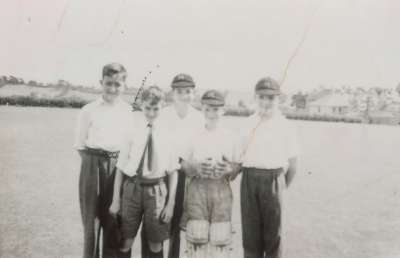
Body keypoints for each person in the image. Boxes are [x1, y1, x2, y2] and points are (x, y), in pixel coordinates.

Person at [109, 85, 179, 258]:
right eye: (148, 108)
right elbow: (120, 168)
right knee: (126, 240)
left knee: (155, 243)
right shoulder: (131, 130)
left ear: (162, 107)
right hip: (132, 188)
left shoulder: (169, 134)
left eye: (156, 108)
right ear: (141, 105)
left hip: (156, 190)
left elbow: (173, 172)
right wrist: (116, 200)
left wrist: (170, 205)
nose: (152, 113)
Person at [141, 73, 203, 258]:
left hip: (187, 177)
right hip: (160, 175)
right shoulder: (163, 114)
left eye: (188, 91)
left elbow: (199, 149)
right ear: (172, 93)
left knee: (177, 223)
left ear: (194, 93)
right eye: (179, 91)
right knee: (154, 222)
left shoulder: (199, 118)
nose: (184, 95)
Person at [74, 63, 132, 258]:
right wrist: (96, 164)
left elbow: (129, 145)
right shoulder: (88, 110)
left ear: (124, 85)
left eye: (117, 84)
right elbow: (81, 146)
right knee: (91, 222)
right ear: (101, 83)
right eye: (108, 83)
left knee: (114, 219)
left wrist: (113, 164)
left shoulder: (128, 111)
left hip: (118, 167)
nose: (112, 89)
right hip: (92, 164)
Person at [238, 77, 299, 258]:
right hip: (249, 180)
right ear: (256, 98)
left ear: (278, 99)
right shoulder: (247, 123)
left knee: (274, 237)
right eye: (262, 97)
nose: (266, 102)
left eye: (271, 98)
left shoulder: (286, 126)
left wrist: (279, 186)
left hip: (274, 179)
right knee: (250, 237)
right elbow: (239, 158)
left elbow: (293, 165)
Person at [180, 90, 241, 258]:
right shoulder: (192, 135)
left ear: (223, 110)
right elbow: (183, 164)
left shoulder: (232, 137)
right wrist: (195, 167)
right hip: (197, 190)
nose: (212, 114)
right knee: (197, 239)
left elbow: (237, 166)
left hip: (221, 190)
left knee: (220, 241)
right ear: (202, 109)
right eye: (207, 109)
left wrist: (229, 169)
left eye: (216, 109)